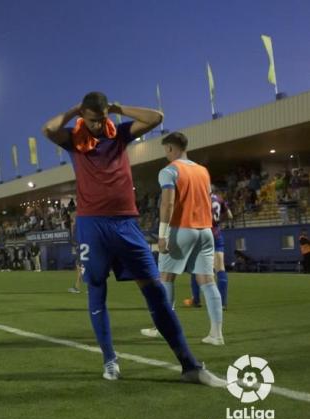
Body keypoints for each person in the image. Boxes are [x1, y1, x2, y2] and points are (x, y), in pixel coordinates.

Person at [42, 91, 222, 385]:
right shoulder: (74, 140)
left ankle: (190, 366)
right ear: (82, 117)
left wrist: (118, 108)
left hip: (127, 224)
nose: (99, 125)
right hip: (92, 225)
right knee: (97, 290)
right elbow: (47, 129)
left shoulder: (119, 134)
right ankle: (110, 360)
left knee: (156, 292)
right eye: (92, 120)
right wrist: (75, 110)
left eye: (102, 119)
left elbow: (156, 118)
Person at [139, 132, 225, 346]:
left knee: (166, 278)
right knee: (207, 280)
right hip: (205, 231)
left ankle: (163, 328)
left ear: (170, 148)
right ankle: (216, 334)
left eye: (165, 150)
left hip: (181, 230)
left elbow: (167, 204)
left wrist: (162, 235)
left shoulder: (169, 171)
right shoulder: (203, 171)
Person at [185, 188, 233, 310]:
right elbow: (230, 215)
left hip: (202, 235)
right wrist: (217, 223)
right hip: (216, 235)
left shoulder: (198, 199)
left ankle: (196, 300)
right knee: (220, 268)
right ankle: (222, 303)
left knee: (196, 267)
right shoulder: (219, 199)